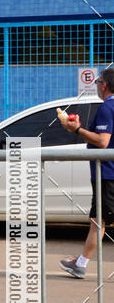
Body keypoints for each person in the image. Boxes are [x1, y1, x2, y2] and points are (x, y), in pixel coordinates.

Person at [59, 68, 114, 278]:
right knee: (99, 220)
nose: (98, 85)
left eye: (98, 81)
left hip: (107, 174)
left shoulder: (107, 107)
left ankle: (80, 264)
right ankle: (80, 263)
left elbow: (102, 141)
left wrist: (77, 130)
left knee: (98, 221)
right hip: (107, 173)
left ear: (104, 85)